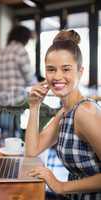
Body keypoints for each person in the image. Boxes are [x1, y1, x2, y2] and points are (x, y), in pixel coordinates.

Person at [25, 30, 101, 199]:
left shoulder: (85, 112)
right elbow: (31, 151)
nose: (57, 76)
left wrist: (60, 186)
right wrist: (34, 106)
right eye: (51, 69)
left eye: (66, 69)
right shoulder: (66, 111)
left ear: (80, 72)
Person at [0, 25, 37, 137]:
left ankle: (7, 140)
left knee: (7, 127)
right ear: (24, 38)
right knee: (42, 108)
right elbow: (29, 77)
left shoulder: (2, 51)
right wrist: (37, 83)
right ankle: (23, 139)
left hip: (1, 99)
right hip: (16, 99)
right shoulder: (20, 50)